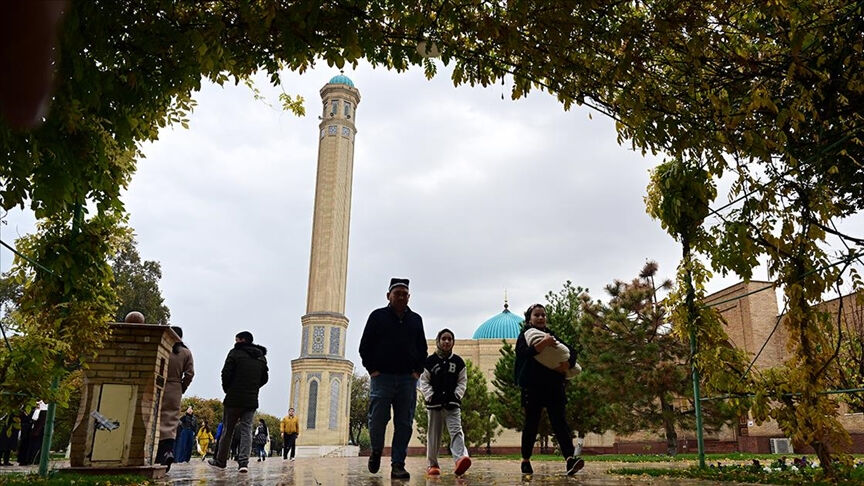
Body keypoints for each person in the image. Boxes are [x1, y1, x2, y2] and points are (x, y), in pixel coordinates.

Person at [358, 278, 427, 480]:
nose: (401, 297)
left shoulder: (415, 320)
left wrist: (417, 372)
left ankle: (398, 464)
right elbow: (365, 346)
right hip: (382, 378)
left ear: (409, 297)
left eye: (405, 294)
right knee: (378, 419)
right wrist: (372, 369)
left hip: (407, 380)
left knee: (404, 423)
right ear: (388, 295)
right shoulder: (377, 317)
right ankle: (376, 450)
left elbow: (422, 349)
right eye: (397, 293)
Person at [515, 304, 584, 476]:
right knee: (531, 424)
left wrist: (567, 364)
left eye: (543, 315)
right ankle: (525, 460)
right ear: (529, 319)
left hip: (554, 386)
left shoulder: (552, 336)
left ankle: (570, 460)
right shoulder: (525, 336)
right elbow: (522, 353)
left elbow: (572, 351)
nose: (540, 318)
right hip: (533, 386)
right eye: (536, 315)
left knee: (560, 423)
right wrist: (541, 345)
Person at [208, 331, 269, 474]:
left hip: (233, 398)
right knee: (246, 431)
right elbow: (265, 378)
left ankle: (221, 461)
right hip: (251, 400)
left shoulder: (235, 353)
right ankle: (243, 463)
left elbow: (225, 373)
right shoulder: (260, 357)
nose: (235, 342)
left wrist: (228, 389)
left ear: (242, 340)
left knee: (227, 430)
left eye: (237, 340)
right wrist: (253, 388)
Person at [418, 329, 471, 477]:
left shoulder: (458, 362)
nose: (446, 342)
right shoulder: (430, 361)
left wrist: (457, 395)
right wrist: (430, 396)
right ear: (438, 341)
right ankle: (432, 465)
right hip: (434, 405)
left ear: (453, 342)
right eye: (444, 339)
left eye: (449, 339)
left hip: (452, 405)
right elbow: (424, 381)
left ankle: (460, 459)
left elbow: (462, 382)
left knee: (456, 431)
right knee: (433, 435)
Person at [157, 326, 194, 470]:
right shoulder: (185, 353)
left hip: (158, 384)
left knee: (156, 418)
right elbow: (190, 374)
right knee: (171, 421)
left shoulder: (162, 348)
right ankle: (167, 452)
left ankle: (155, 454)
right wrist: (182, 387)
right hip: (175, 387)